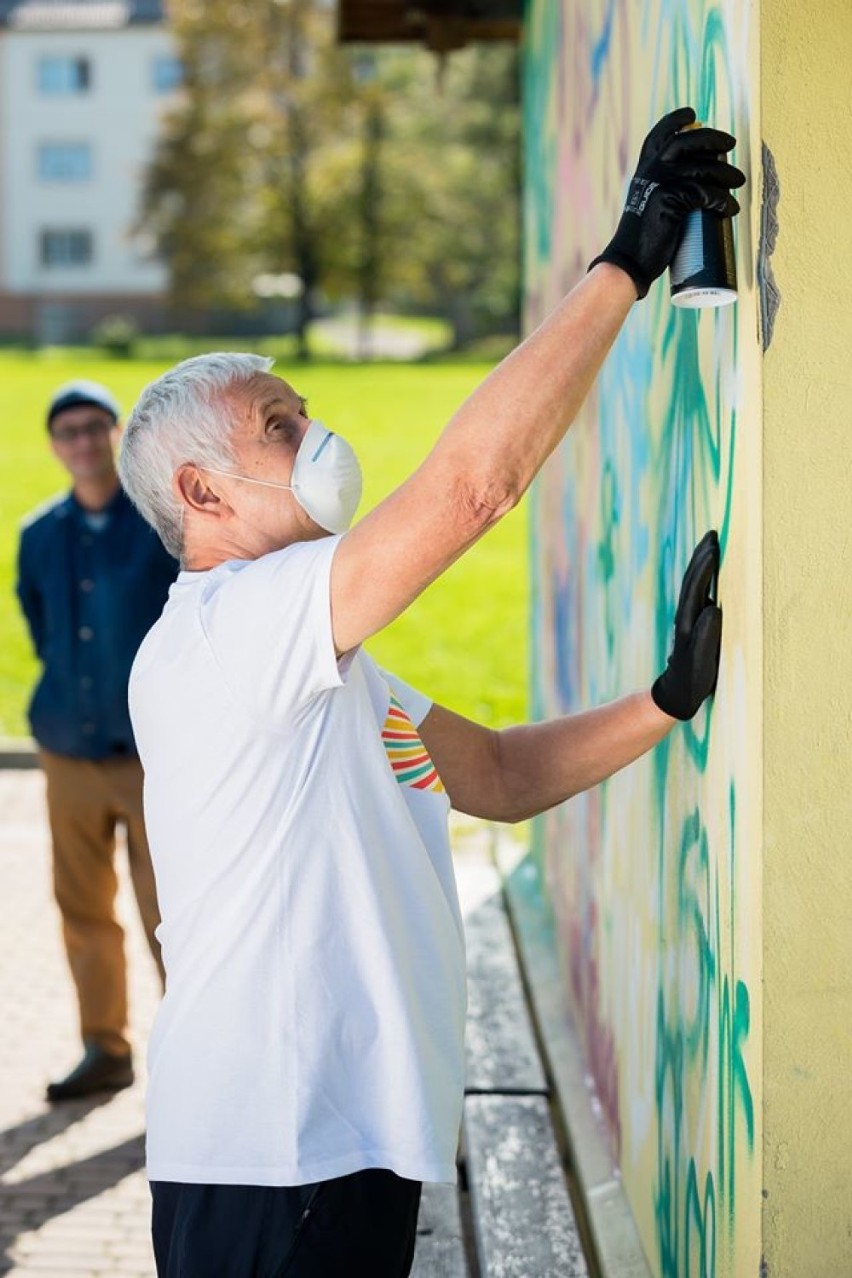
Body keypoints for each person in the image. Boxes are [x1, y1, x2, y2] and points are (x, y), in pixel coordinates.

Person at [118, 107, 745, 1276]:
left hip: (343, 1145)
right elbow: (471, 490)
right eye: (280, 425)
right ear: (201, 492)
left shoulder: (314, 667)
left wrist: (665, 700)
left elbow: (499, 778)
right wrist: (626, 261)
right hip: (278, 1153)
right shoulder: (230, 631)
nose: (318, 437)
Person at [16, 379, 178, 1102]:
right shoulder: (37, 535)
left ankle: (196, 1055)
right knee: (82, 906)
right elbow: (40, 621)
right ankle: (103, 1048)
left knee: (172, 912)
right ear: (55, 445)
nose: (82, 441)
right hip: (67, 754)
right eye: (68, 431)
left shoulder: (158, 525)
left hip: (156, 758)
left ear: (115, 434)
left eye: (94, 427)